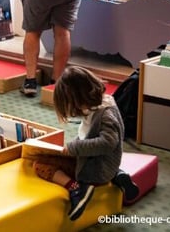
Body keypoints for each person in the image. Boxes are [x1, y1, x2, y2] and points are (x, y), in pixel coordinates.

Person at [31, 66, 139, 221]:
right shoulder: (102, 104)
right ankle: (117, 174)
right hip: (102, 162)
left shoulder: (105, 114)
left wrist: (74, 148)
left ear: (78, 98)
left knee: (40, 165)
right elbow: (89, 136)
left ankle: (77, 189)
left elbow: (107, 143)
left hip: (95, 169)